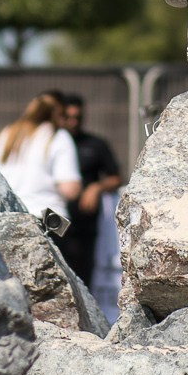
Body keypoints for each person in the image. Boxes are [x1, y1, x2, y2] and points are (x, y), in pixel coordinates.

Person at [0, 92, 81, 235]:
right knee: (73, 243)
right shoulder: (58, 136)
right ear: (59, 115)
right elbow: (70, 190)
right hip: (46, 216)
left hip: (7, 218)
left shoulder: (5, 134)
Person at [56, 93, 123, 282]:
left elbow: (115, 176)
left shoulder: (95, 144)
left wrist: (96, 187)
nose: (73, 122)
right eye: (68, 118)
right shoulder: (52, 144)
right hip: (56, 219)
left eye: (77, 118)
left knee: (82, 275)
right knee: (58, 271)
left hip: (84, 223)